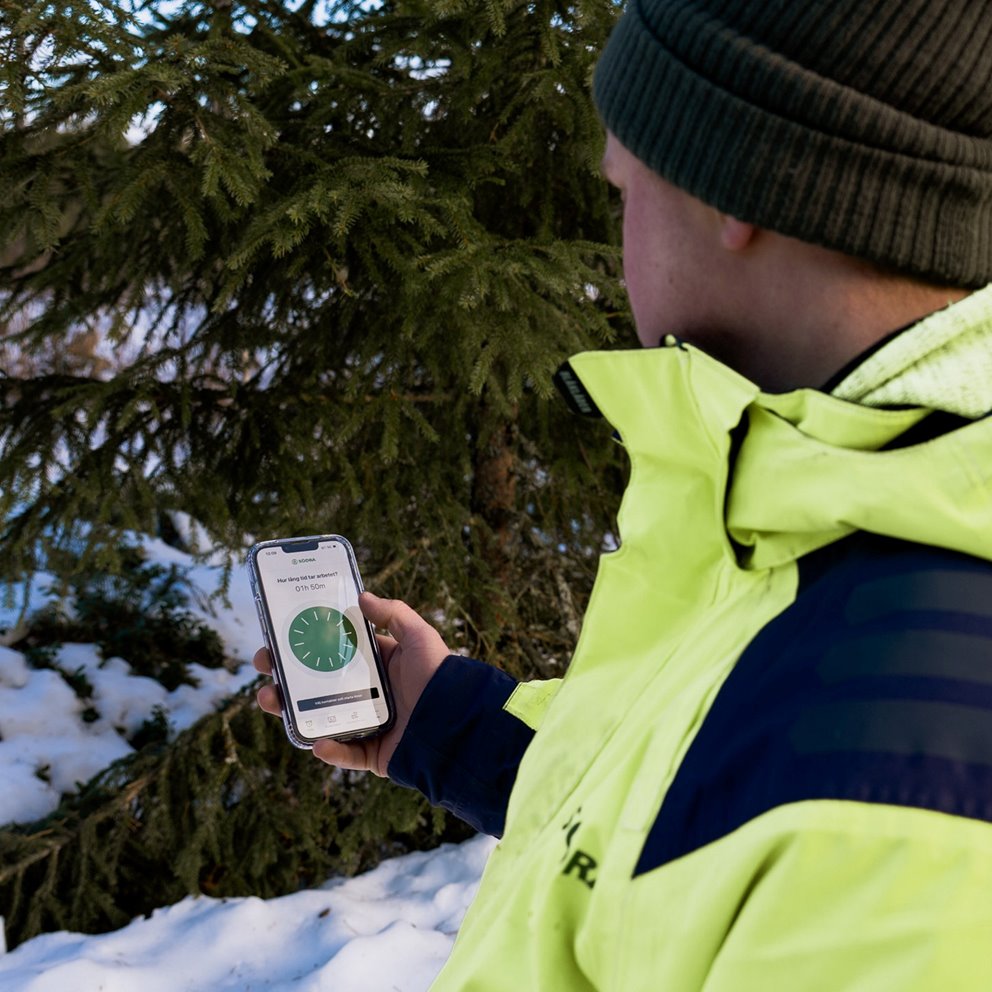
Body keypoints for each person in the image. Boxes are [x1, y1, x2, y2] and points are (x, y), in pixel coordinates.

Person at [256, 0, 992, 986]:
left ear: (740, 181)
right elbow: (697, 804)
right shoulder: (840, 515)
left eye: (622, 187)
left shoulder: (893, 804)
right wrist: (448, 724)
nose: (619, 235)